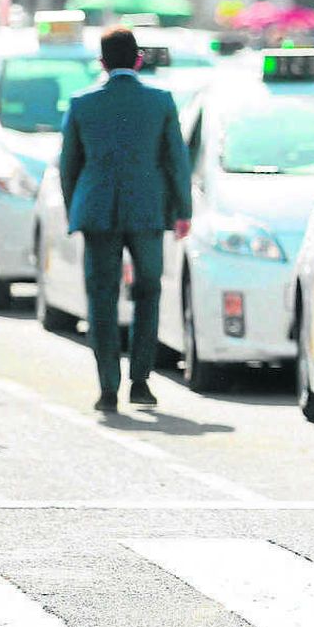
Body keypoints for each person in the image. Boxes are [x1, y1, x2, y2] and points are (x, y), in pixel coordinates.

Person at [59, 27, 191, 413]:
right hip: (148, 211)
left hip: (97, 212)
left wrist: (75, 209)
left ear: (102, 63)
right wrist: (183, 210)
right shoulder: (160, 101)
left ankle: (107, 387)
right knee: (148, 291)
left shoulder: (82, 103)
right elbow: (176, 160)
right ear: (139, 60)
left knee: (101, 297)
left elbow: (69, 166)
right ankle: (140, 381)